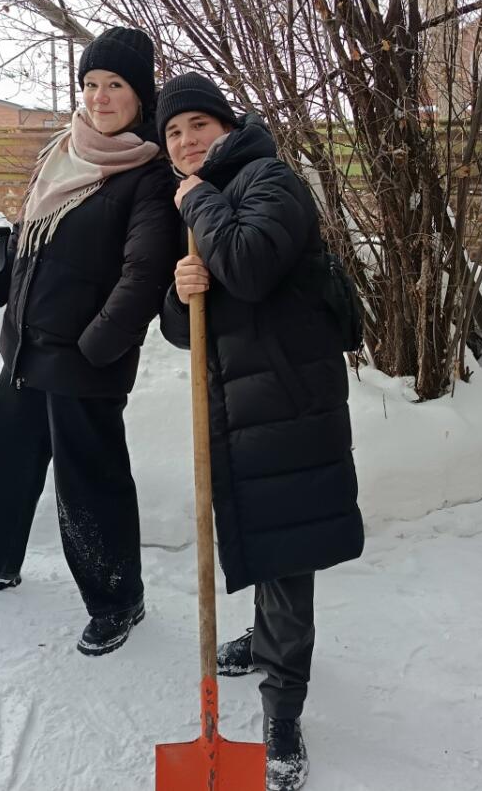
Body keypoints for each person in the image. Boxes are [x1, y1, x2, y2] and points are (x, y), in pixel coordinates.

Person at [0, 27, 180, 658]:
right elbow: (29, 238)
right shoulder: (62, 151)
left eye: (115, 85)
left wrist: (95, 348)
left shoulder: (148, 175)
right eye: (91, 84)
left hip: (84, 362)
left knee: (89, 487)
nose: (100, 97)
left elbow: (143, 275)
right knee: (3, 461)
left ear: (140, 94)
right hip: (26, 346)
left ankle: (118, 600)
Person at [156, 73, 364, 791]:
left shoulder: (268, 179)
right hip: (240, 404)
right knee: (262, 535)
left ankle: (284, 711)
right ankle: (266, 638)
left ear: (226, 126)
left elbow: (246, 267)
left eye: (198, 125)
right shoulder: (206, 198)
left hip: (289, 401)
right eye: (173, 132)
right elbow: (190, 325)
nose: (186, 141)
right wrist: (180, 294)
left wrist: (198, 201)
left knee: (288, 553)